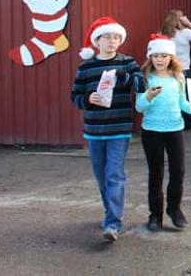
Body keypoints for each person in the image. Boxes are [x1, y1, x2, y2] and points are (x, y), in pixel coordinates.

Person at [71, 16, 141, 243]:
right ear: (96, 41)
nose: (112, 41)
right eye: (107, 37)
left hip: (119, 129)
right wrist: (88, 98)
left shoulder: (126, 62)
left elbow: (141, 84)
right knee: (101, 177)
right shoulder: (86, 67)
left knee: (114, 174)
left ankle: (113, 223)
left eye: (116, 37)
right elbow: (75, 97)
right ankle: (109, 212)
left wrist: (125, 75)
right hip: (93, 130)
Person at [135, 34, 191, 232]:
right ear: (150, 57)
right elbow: (139, 107)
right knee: (156, 173)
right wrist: (148, 96)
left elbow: (182, 103)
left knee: (178, 171)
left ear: (171, 57)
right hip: (152, 131)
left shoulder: (178, 77)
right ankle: (155, 215)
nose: (160, 59)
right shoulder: (144, 78)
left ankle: (174, 210)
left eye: (164, 55)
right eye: (155, 55)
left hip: (175, 130)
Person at [160, 10, 191, 128]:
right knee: (185, 96)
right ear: (180, 20)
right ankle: (189, 121)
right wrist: (188, 22)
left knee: (171, 95)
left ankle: (173, 119)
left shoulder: (161, 34)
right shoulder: (184, 33)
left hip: (168, 70)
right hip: (183, 69)